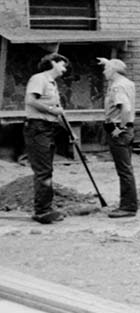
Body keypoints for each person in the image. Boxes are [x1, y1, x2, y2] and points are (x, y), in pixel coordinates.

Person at [23, 53, 70, 224]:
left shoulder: (52, 83)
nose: (64, 69)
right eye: (62, 65)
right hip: (37, 128)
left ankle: (46, 207)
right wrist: (52, 109)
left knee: (47, 169)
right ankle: (42, 211)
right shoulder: (39, 79)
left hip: (48, 128)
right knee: (43, 171)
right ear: (52, 63)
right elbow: (30, 100)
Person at [99, 57, 137, 218]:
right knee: (126, 168)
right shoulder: (127, 82)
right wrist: (108, 61)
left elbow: (126, 109)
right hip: (127, 129)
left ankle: (128, 207)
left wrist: (119, 128)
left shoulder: (117, 86)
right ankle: (128, 204)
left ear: (113, 71)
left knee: (124, 170)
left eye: (106, 69)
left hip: (118, 129)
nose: (104, 72)